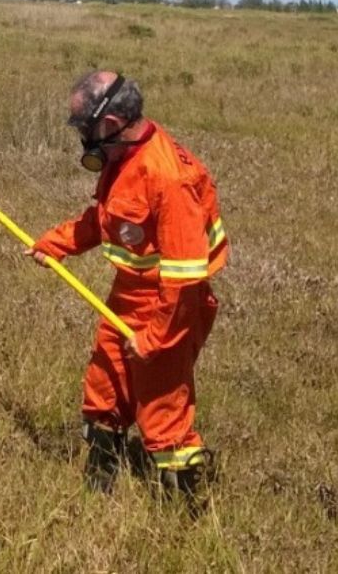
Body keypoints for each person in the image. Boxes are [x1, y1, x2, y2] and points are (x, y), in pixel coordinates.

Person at [25, 71, 228, 507]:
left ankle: (185, 511)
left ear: (113, 120)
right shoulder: (123, 159)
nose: (81, 136)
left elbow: (185, 279)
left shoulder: (167, 179)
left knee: (162, 407)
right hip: (128, 295)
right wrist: (56, 244)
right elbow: (106, 220)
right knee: (104, 384)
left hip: (171, 305)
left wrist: (155, 338)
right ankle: (100, 486)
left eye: (85, 127)